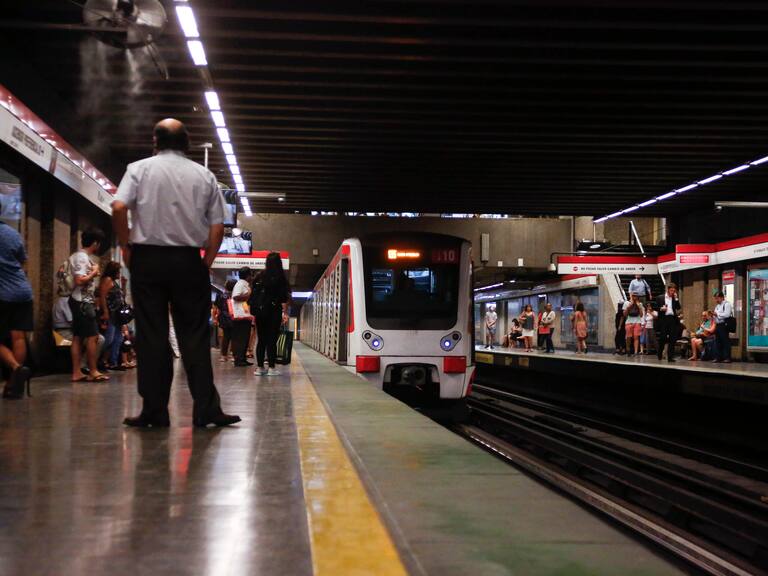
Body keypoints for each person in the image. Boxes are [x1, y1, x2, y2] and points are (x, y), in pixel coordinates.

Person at [112, 118, 240, 428]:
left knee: (153, 335)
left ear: (155, 142)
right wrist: (205, 260)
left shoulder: (138, 169)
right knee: (194, 335)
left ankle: (155, 410)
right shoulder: (204, 175)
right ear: (187, 144)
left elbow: (118, 208)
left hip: (147, 259)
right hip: (187, 261)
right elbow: (218, 226)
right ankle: (206, 410)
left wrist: (126, 246)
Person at [69, 228, 109, 382]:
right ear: (95, 243)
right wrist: (94, 272)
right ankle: (93, 371)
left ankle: (76, 372)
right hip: (83, 302)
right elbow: (79, 280)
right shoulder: (82, 258)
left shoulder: (80, 256)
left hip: (79, 300)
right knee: (93, 337)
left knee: (78, 337)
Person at [0, 220, 33, 399]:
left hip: (3, 293)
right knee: (18, 337)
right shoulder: (12, 234)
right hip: (23, 291)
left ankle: (16, 368)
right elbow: (23, 262)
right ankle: (13, 385)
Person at [250, 252, 289, 376]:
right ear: (279, 263)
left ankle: (260, 368)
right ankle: (271, 368)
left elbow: (253, 295)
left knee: (261, 340)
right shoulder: (281, 278)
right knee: (272, 340)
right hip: (273, 312)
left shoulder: (259, 276)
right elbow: (283, 297)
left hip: (260, 312)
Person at [98, 261, 126, 370]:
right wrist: (105, 312)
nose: (119, 273)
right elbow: (102, 296)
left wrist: (123, 285)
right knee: (108, 339)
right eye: (118, 271)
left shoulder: (115, 282)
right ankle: (97, 359)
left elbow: (120, 296)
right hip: (111, 314)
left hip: (117, 315)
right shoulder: (107, 280)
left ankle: (113, 362)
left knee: (118, 339)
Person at [230, 267, 254, 367]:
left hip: (245, 315)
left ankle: (242, 358)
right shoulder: (240, 284)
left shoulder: (244, 284)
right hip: (240, 316)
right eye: (250, 274)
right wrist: (249, 296)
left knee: (244, 338)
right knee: (241, 338)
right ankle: (239, 360)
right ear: (248, 275)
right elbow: (235, 296)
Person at [655, 282, 681, 362]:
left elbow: (678, 307)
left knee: (672, 339)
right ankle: (659, 353)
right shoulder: (660, 297)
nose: (672, 292)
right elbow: (655, 308)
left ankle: (670, 357)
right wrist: (661, 309)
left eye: (674, 291)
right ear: (668, 290)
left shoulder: (674, 298)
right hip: (664, 319)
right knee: (663, 338)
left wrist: (676, 299)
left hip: (672, 319)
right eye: (671, 291)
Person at [215, 279, 235, 362]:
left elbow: (217, 307)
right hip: (234, 317)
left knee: (226, 336)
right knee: (234, 336)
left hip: (224, 317)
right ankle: (233, 355)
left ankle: (224, 356)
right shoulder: (236, 295)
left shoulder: (220, 295)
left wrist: (216, 318)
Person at [713, 290, 734, 364]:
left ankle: (727, 357)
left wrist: (717, 315)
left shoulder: (727, 304)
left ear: (722, 297)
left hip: (724, 325)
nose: (716, 300)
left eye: (717, 298)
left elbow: (727, 314)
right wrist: (713, 315)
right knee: (718, 342)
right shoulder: (717, 306)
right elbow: (715, 314)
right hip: (718, 325)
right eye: (715, 298)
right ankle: (718, 357)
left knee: (725, 341)